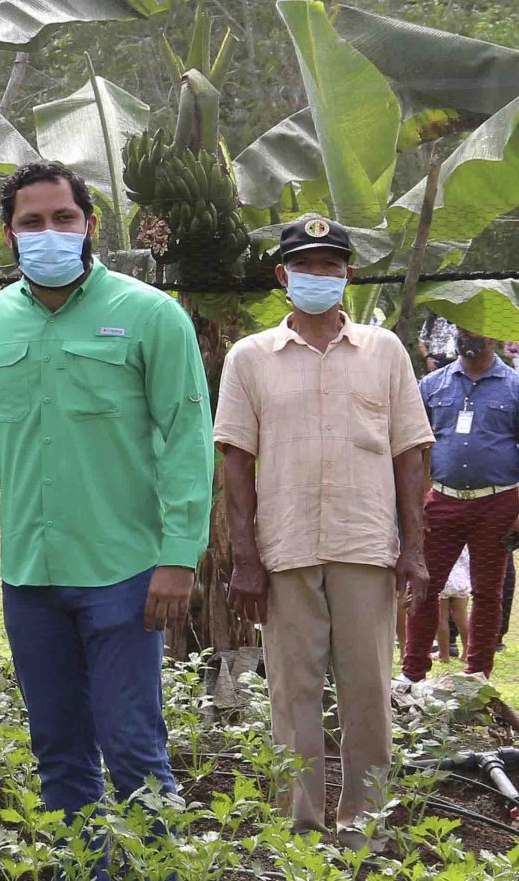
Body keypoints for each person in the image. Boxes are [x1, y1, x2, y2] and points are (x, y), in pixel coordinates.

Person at [0, 161, 212, 881]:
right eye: (31, 221)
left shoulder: (150, 315)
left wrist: (179, 557)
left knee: (134, 748)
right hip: (30, 574)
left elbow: (187, 438)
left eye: (63, 217)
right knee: (58, 750)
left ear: (91, 224)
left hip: (125, 571)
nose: (49, 232)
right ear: (8, 232)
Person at [215, 216, 429, 836]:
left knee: (369, 692)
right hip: (284, 549)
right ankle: (300, 825)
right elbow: (236, 463)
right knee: (292, 694)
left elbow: (410, 453)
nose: (319, 277)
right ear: (283, 277)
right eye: (306, 266)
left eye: (331, 266)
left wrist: (413, 549)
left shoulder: (384, 351)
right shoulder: (249, 358)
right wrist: (246, 560)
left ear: (348, 275)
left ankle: (367, 822)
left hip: (365, 543)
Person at [406, 323, 519, 681]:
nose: (470, 335)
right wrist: (415, 503)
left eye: (479, 329)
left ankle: (477, 675)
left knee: (488, 592)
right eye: (464, 328)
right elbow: (413, 449)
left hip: (498, 503)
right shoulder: (432, 385)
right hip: (440, 502)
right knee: (424, 586)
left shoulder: (515, 386)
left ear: (496, 336)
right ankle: (412, 674)